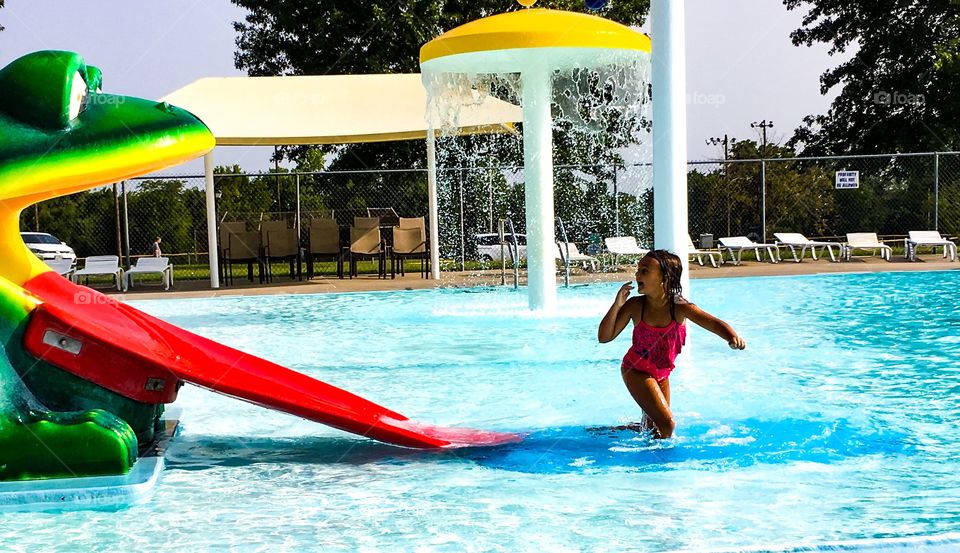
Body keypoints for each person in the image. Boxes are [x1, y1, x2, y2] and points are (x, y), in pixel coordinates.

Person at [597, 249, 746, 439]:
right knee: (667, 424)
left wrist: (731, 336)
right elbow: (604, 336)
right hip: (635, 370)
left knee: (654, 427)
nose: (637, 274)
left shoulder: (680, 307)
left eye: (645, 270)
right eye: (638, 269)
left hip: (661, 374)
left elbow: (711, 322)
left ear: (665, 277)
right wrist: (617, 304)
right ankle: (655, 463)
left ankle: (613, 431)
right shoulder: (635, 305)